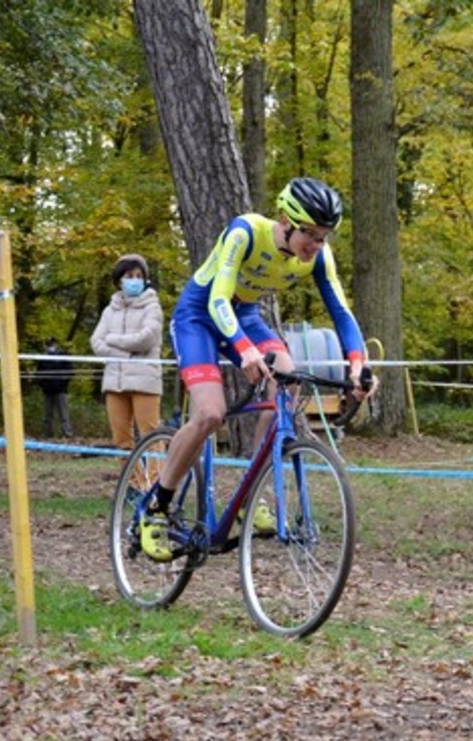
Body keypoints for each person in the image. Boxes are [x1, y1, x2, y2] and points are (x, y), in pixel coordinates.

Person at [141, 178, 373, 562]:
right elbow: (217, 299)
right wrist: (244, 350)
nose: (316, 245)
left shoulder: (318, 257)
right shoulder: (245, 232)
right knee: (210, 414)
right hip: (199, 316)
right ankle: (157, 507)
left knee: (289, 379)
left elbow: (342, 313)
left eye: (324, 237)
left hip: (245, 316)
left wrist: (358, 367)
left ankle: (252, 493)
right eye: (310, 234)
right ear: (285, 221)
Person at [91, 254, 164, 461]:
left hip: (145, 382)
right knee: (121, 440)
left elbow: (146, 339)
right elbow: (96, 342)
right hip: (114, 382)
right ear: (119, 281)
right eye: (129, 276)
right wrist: (124, 354)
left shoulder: (152, 307)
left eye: (139, 276)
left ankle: (158, 481)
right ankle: (132, 480)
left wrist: (112, 339)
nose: (135, 280)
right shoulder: (109, 311)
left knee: (151, 437)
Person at [35, 337, 74, 438]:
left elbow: (70, 371)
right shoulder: (43, 358)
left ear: (56, 344)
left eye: (52, 343)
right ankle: (48, 433)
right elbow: (38, 373)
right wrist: (43, 384)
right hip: (47, 390)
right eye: (49, 344)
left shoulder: (63, 356)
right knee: (47, 414)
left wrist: (62, 383)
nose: (51, 346)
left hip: (61, 389)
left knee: (64, 413)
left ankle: (67, 433)